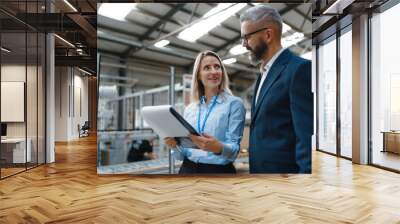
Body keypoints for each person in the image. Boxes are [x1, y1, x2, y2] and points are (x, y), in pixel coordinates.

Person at [239, 5, 313, 173]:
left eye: (247, 37)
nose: (244, 44)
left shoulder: (299, 70)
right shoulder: (263, 74)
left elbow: (306, 138)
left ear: (268, 35)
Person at [164, 50, 246, 174]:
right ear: (198, 75)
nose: (214, 71)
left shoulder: (234, 104)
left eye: (217, 67)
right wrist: (174, 146)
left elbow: (234, 151)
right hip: (187, 169)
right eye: (207, 68)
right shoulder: (190, 109)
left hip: (217, 173)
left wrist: (218, 147)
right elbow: (182, 155)